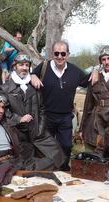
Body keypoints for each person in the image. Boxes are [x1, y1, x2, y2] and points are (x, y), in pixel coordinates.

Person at [32, 40, 91, 170]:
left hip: (65, 116)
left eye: (63, 53)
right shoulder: (44, 67)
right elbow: (30, 75)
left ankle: (63, 169)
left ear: (68, 54)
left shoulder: (75, 71)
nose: (60, 57)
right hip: (47, 115)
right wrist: (33, 76)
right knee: (46, 146)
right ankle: (47, 170)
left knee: (66, 145)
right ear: (52, 54)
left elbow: (87, 81)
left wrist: (96, 72)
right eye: (57, 53)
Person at [0, 53, 66, 169]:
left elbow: (41, 109)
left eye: (26, 65)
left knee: (58, 156)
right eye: (21, 65)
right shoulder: (5, 88)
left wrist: (40, 128)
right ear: (15, 66)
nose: (24, 68)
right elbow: (4, 112)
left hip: (37, 131)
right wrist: (19, 119)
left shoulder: (35, 85)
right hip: (19, 134)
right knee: (24, 166)